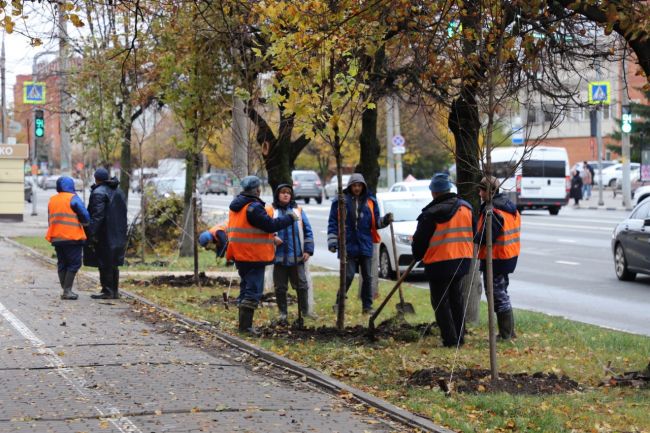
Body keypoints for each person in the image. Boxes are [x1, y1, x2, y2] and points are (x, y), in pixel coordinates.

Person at [226, 175, 297, 334]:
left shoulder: (238, 206)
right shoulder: (254, 207)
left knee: (246, 288)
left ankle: (243, 325)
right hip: (253, 255)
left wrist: (271, 238)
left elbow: (252, 230)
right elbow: (270, 225)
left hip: (241, 254)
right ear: (257, 189)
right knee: (253, 290)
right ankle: (246, 327)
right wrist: (290, 218)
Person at [411, 173, 475, 347]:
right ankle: (459, 337)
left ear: (434, 192)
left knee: (440, 302)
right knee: (456, 299)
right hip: (462, 260)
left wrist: (417, 254)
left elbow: (420, 242)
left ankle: (450, 340)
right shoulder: (466, 208)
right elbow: (474, 232)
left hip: (439, 263)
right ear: (448, 189)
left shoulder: (430, 214)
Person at [327, 173, 392, 314]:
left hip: (365, 243)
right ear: (350, 186)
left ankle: (367, 307)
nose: (357, 188)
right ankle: (339, 303)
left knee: (367, 276)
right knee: (348, 275)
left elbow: (376, 223)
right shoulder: (340, 201)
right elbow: (333, 222)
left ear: (363, 186)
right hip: (347, 244)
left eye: (359, 185)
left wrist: (385, 220)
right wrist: (332, 242)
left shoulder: (370, 201)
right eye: (354, 185)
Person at [475, 176, 521, 340]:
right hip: (506, 256)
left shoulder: (493, 212)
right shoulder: (508, 206)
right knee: (502, 292)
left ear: (489, 191)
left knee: (497, 295)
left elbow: (486, 237)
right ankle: (509, 332)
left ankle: (505, 334)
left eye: (481, 190)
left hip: (496, 258)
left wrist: (474, 236)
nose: (479, 193)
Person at [266, 184, 315, 325]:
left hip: (297, 256)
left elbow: (307, 230)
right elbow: (265, 228)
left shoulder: (298, 210)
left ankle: (304, 311)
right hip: (278, 258)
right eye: (282, 192)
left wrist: (308, 249)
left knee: (302, 285)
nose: (286, 195)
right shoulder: (271, 210)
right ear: (277, 195)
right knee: (280, 287)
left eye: (288, 193)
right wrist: (272, 238)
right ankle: (283, 313)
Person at [84, 168, 128, 300]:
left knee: (104, 262)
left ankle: (107, 290)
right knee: (113, 262)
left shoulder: (98, 193)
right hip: (118, 232)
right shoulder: (118, 191)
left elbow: (97, 216)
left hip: (105, 233)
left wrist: (91, 233)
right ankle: (114, 290)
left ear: (96, 178)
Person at [45, 176, 90, 300]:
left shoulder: (52, 200)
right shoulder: (73, 198)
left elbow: (50, 219)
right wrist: (86, 224)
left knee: (62, 263)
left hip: (57, 237)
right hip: (72, 237)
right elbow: (85, 216)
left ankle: (65, 289)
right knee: (74, 263)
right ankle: (67, 290)